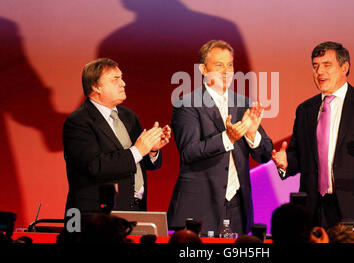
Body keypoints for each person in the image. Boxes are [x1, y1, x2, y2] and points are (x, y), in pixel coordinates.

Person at [272, 41, 354, 243]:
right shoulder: (305, 110)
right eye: (315, 66)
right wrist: (287, 163)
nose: (319, 71)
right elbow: (300, 156)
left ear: (344, 67)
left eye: (326, 65)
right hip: (319, 211)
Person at [168, 40, 273, 236]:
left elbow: (265, 154)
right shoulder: (187, 104)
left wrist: (252, 134)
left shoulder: (244, 104)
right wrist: (227, 138)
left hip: (237, 206)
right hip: (201, 205)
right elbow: (189, 152)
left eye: (230, 65)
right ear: (203, 69)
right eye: (219, 65)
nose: (226, 71)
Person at [63, 58, 170, 215]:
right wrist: (138, 150)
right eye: (115, 79)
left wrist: (152, 150)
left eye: (122, 78)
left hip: (136, 208)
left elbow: (140, 163)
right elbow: (94, 166)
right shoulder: (79, 121)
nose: (123, 83)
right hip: (97, 214)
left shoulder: (128, 116)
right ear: (96, 86)